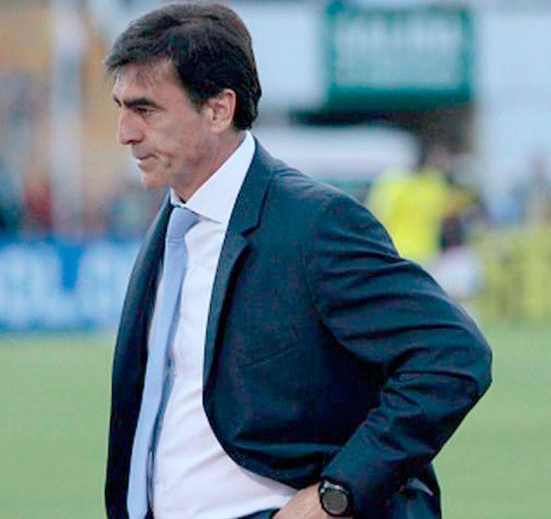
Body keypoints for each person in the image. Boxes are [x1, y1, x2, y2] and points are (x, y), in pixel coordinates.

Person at [104, 3, 492, 519]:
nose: (125, 132)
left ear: (218, 109)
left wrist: (339, 492)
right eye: (121, 107)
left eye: (146, 109)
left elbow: (452, 354)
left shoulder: (314, 224)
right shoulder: (174, 225)